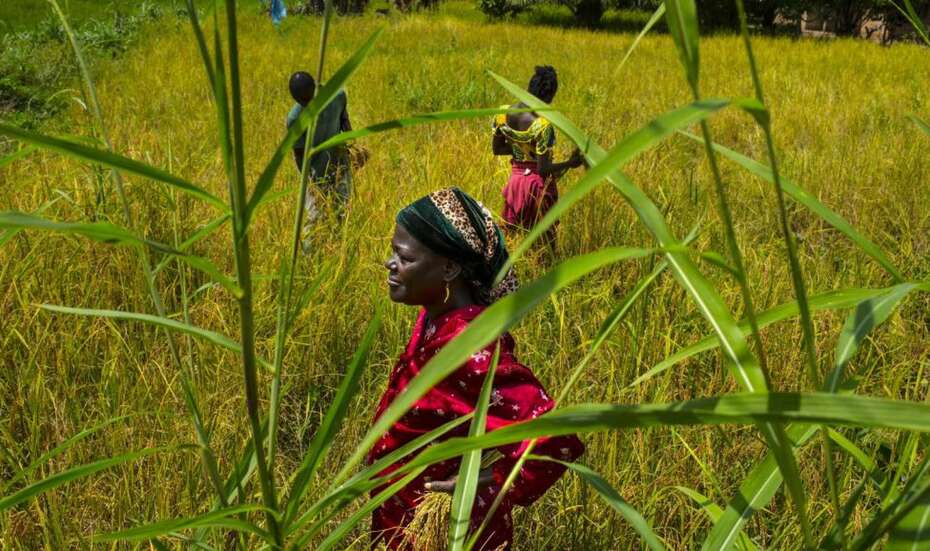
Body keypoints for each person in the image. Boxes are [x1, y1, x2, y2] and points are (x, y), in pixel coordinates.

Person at [369, 187, 585, 550]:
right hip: (403, 521)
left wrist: (490, 480)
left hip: (447, 533)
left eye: (404, 257)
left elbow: (555, 437)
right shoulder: (434, 318)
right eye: (393, 252)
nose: (390, 263)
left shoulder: (469, 352)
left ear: (449, 268)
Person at [492, 66, 584, 245]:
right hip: (537, 189)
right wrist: (571, 163)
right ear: (549, 96)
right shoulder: (542, 125)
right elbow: (543, 169)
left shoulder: (502, 114)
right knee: (545, 246)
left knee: (508, 241)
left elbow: (498, 149)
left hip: (515, 184)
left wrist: (521, 148)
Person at [285, 71, 353, 225]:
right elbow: (299, 155)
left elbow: (344, 121)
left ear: (315, 88)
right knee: (314, 218)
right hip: (314, 173)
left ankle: (338, 246)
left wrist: (353, 147)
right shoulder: (295, 119)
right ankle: (310, 249)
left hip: (340, 166)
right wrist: (310, 183)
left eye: (309, 98)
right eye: (302, 101)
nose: (307, 104)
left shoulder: (337, 95)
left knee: (343, 212)